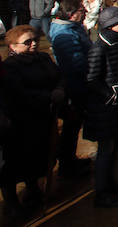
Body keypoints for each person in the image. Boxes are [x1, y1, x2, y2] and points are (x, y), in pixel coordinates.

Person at [0, 25, 64, 217]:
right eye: (27, 42)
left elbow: (58, 76)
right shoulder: (10, 66)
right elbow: (16, 92)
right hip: (21, 120)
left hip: (43, 117)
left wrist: (60, 89)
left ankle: (33, 189)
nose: (34, 44)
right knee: (14, 162)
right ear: (13, 46)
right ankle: (12, 202)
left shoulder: (43, 58)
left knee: (39, 156)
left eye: (35, 39)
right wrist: (48, 96)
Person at [84, 7, 118, 208]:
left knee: (114, 148)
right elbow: (92, 79)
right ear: (111, 25)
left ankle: (111, 183)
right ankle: (102, 192)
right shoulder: (100, 47)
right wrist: (111, 95)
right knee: (105, 151)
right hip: (106, 108)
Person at [48, 0, 94, 177]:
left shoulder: (72, 27)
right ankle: (67, 162)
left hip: (79, 82)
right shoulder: (64, 33)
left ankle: (69, 159)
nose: (84, 13)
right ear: (71, 13)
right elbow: (75, 63)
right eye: (81, 10)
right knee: (72, 123)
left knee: (74, 123)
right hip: (75, 84)